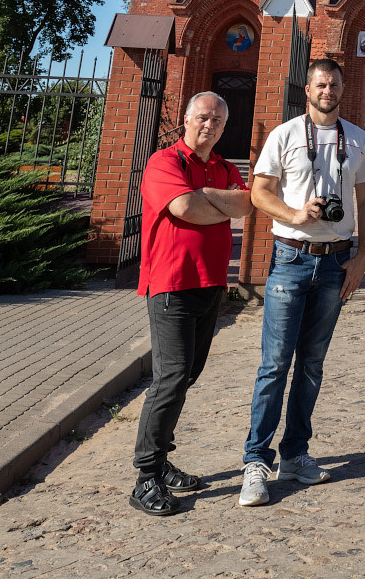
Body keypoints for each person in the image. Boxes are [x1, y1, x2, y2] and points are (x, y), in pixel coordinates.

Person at [239, 58, 365, 507]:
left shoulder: (357, 139)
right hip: (291, 258)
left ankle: (295, 454)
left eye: (334, 84)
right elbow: (259, 192)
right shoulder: (284, 135)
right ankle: (255, 462)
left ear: (343, 88)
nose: (328, 90)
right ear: (308, 88)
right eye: (321, 84)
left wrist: (361, 256)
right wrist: (295, 215)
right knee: (275, 364)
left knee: (312, 364)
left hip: (336, 261)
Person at [130, 92, 252, 516]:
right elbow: (183, 207)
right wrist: (212, 201)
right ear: (186, 119)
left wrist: (204, 196)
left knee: (187, 375)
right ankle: (146, 476)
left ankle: (161, 461)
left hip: (210, 284)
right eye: (202, 117)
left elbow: (246, 204)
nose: (209, 125)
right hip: (171, 285)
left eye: (217, 120)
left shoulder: (223, 167)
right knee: (171, 377)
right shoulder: (163, 162)